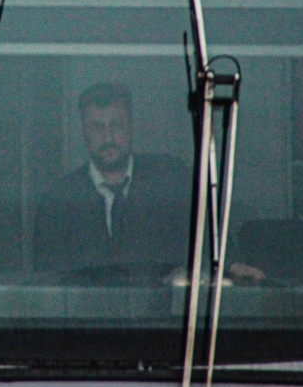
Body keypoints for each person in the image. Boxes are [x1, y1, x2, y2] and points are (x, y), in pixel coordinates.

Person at [34, 83, 191, 282]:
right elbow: (48, 283)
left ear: (131, 125)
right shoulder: (59, 200)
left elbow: (209, 249)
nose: (107, 137)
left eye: (116, 125)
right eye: (96, 127)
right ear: (83, 130)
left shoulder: (169, 181)